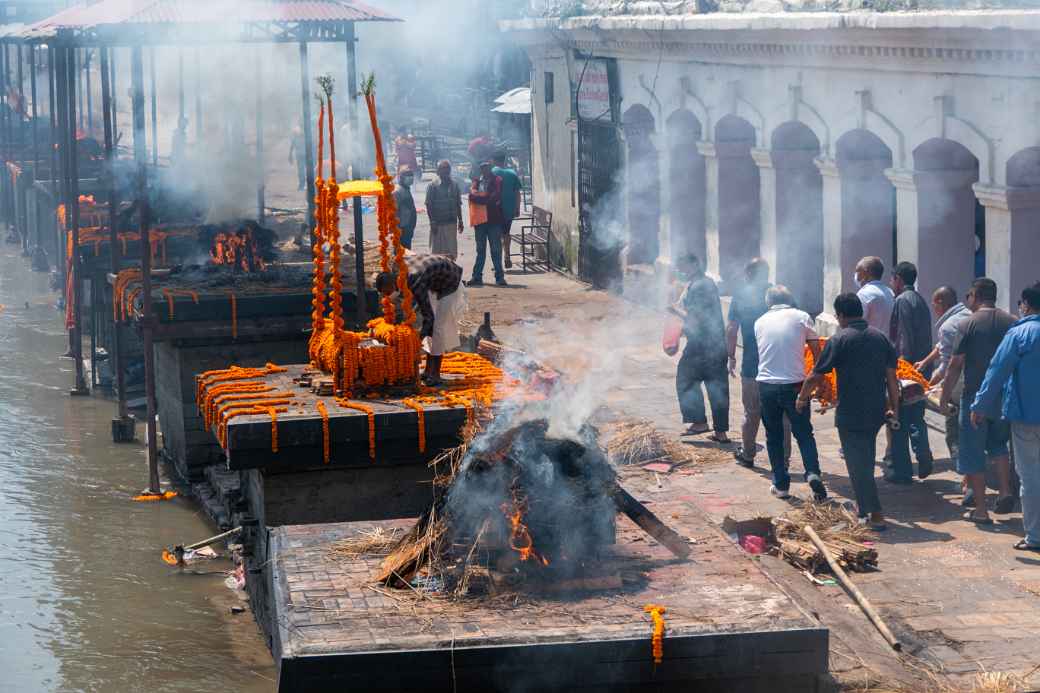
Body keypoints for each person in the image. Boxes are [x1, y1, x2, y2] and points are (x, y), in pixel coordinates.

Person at [800, 293, 899, 530]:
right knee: (863, 458)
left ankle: (875, 514)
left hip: (850, 412)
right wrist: (894, 409)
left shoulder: (840, 339)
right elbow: (892, 379)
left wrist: (802, 397)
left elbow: (816, 374)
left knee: (858, 464)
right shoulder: (881, 338)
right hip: (876, 411)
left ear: (841, 315)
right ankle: (864, 509)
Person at [940, 277, 1016, 524]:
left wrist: (943, 396)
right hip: (1003, 396)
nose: (967, 300)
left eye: (968, 296)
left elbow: (955, 364)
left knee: (972, 451)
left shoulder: (968, 323)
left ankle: (981, 509)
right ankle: (1005, 491)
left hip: (975, 396)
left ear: (975, 295)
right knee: (998, 446)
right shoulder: (1012, 321)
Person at [971, 282, 1040, 552]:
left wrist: (979, 406)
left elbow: (996, 372)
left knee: (1030, 477)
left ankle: (1035, 536)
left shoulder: (1020, 334)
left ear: (1026, 304)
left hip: (1025, 418)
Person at [754, 286, 827, 501]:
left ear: (769, 302)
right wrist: (818, 379)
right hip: (795, 385)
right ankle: (812, 473)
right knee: (804, 433)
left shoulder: (759, 321)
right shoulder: (802, 317)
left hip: (766, 385)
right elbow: (817, 353)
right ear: (790, 299)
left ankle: (781, 484)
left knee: (774, 436)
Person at [726, 258, 790, 467]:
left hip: (752, 366)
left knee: (751, 413)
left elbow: (731, 329)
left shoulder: (740, 296)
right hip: (780, 366)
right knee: (782, 417)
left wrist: (731, 356)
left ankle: (748, 454)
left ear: (747, 274)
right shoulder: (781, 294)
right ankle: (784, 460)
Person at [374, 253, 463, 386]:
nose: (387, 296)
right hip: (433, 276)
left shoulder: (415, 280)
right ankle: (428, 371)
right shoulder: (397, 271)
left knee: (438, 328)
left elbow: (428, 316)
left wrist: (416, 342)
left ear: (394, 284)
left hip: (450, 280)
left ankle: (435, 374)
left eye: (387, 292)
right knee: (430, 327)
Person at [670, 254, 729, 442]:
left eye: (683, 266)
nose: (681, 271)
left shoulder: (700, 286)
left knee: (686, 379)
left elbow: (695, 317)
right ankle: (720, 432)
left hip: (703, 345)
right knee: (717, 387)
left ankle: (700, 422)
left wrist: (672, 310)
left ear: (695, 264)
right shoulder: (702, 283)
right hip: (713, 344)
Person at [887, 261, 935, 482]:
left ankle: (902, 471)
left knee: (898, 419)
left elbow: (903, 337)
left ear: (897, 278)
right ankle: (922, 453)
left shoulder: (902, 300)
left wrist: (901, 370)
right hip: (920, 368)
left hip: (907, 368)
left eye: (892, 279)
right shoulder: (920, 300)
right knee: (916, 416)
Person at [917, 287, 971, 462]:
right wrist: (925, 361)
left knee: (954, 431)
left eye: (934, 303)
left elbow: (946, 367)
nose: (934, 308)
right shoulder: (967, 314)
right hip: (976, 380)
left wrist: (927, 385)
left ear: (940, 302)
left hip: (958, 385)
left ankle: (964, 471)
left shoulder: (948, 326)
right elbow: (942, 346)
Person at [468, 161, 507, 287]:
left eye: (487, 167)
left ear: (490, 168)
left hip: (493, 220)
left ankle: (499, 277)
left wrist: (481, 198)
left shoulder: (497, 180)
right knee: (480, 250)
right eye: (483, 167)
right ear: (481, 169)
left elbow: (494, 197)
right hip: (480, 222)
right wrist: (484, 198)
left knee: (496, 250)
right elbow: (471, 196)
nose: (485, 170)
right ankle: (477, 277)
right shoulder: (476, 181)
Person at [424, 160, 463, 260]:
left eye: (447, 169)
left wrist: (461, 221)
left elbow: (458, 204)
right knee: (437, 253)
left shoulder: (455, 185)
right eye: (443, 169)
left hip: (451, 223)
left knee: (451, 252)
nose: (445, 171)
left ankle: (450, 273)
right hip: (438, 224)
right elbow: (429, 205)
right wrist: (432, 222)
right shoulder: (432, 186)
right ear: (438, 171)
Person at [491, 151, 523, 269]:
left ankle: (498, 262)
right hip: (509, 210)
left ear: (494, 161)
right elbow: (518, 193)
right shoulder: (512, 173)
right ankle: (507, 257)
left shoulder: (492, 172)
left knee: (496, 236)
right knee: (506, 234)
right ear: (504, 161)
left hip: (495, 210)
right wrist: (517, 208)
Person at [854, 256, 895, 334]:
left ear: (865, 273)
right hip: (887, 343)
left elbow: (857, 324)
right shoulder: (890, 292)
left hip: (869, 342)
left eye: (857, 271)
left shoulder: (864, 294)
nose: (856, 275)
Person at [393, 167, 417, 250]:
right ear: (401, 177)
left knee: (406, 252)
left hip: (408, 228)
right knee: (401, 254)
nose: (411, 177)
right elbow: (394, 212)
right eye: (408, 175)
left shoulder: (406, 189)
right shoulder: (397, 191)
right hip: (402, 229)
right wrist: (397, 229)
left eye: (411, 175)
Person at [288, 126, 306, 191]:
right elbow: (292, 146)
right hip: (300, 156)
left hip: (306, 156)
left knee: (306, 171)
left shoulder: (306, 136)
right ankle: (302, 185)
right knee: (301, 171)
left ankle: (304, 185)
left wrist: (290, 156)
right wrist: (290, 155)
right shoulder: (295, 138)